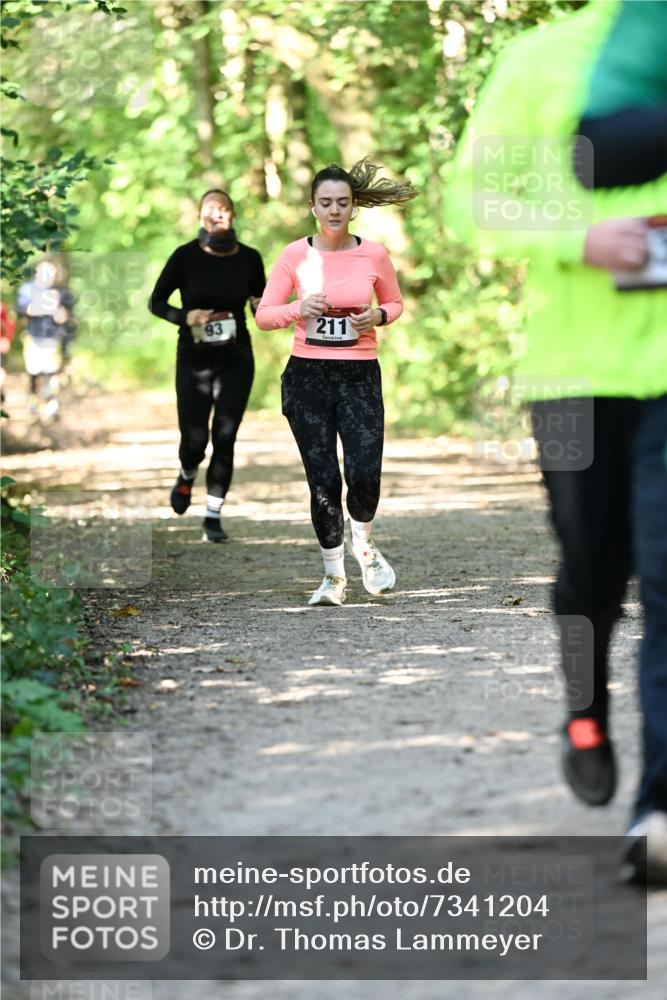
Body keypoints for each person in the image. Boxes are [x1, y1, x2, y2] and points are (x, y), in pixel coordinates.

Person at [446, 0, 666, 884]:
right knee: (589, 572)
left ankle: (657, 808)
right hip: (571, 375)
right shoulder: (544, 60)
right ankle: (583, 711)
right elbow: (472, 202)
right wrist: (579, 238)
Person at [256, 159, 416, 606]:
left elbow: (395, 303)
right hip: (307, 377)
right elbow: (264, 316)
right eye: (325, 202)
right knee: (323, 481)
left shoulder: (374, 254)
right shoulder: (294, 255)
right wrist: (298, 309)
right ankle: (333, 576)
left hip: (359, 376)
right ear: (312, 207)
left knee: (364, 473)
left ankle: (363, 544)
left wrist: (377, 315)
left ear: (353, 208)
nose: (334, 210)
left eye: (342, 202)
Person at [148, 189, 266, 542]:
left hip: (236, 358)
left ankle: (213, 516)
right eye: (211, 210)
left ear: (232, 215)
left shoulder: (250, 258)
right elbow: (156, 302)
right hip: (194, 359)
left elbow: (259, 306)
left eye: (224, 209)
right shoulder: (185, 256)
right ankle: (187, 474)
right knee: (195, 438)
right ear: (200, 216)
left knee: (225, 436)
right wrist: (186, 316)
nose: (218, 215)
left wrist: (263, 305)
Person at [17, 259, 74, 419]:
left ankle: (50, 406)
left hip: (53, 338)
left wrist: (59, 313)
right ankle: (33, 403)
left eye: (51, 274)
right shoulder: (27, 290)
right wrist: (47, 306)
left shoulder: (61, 292)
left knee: (52, 373)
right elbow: (23, 310)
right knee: (34, 372)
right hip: (33, 337)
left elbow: (65, 317)